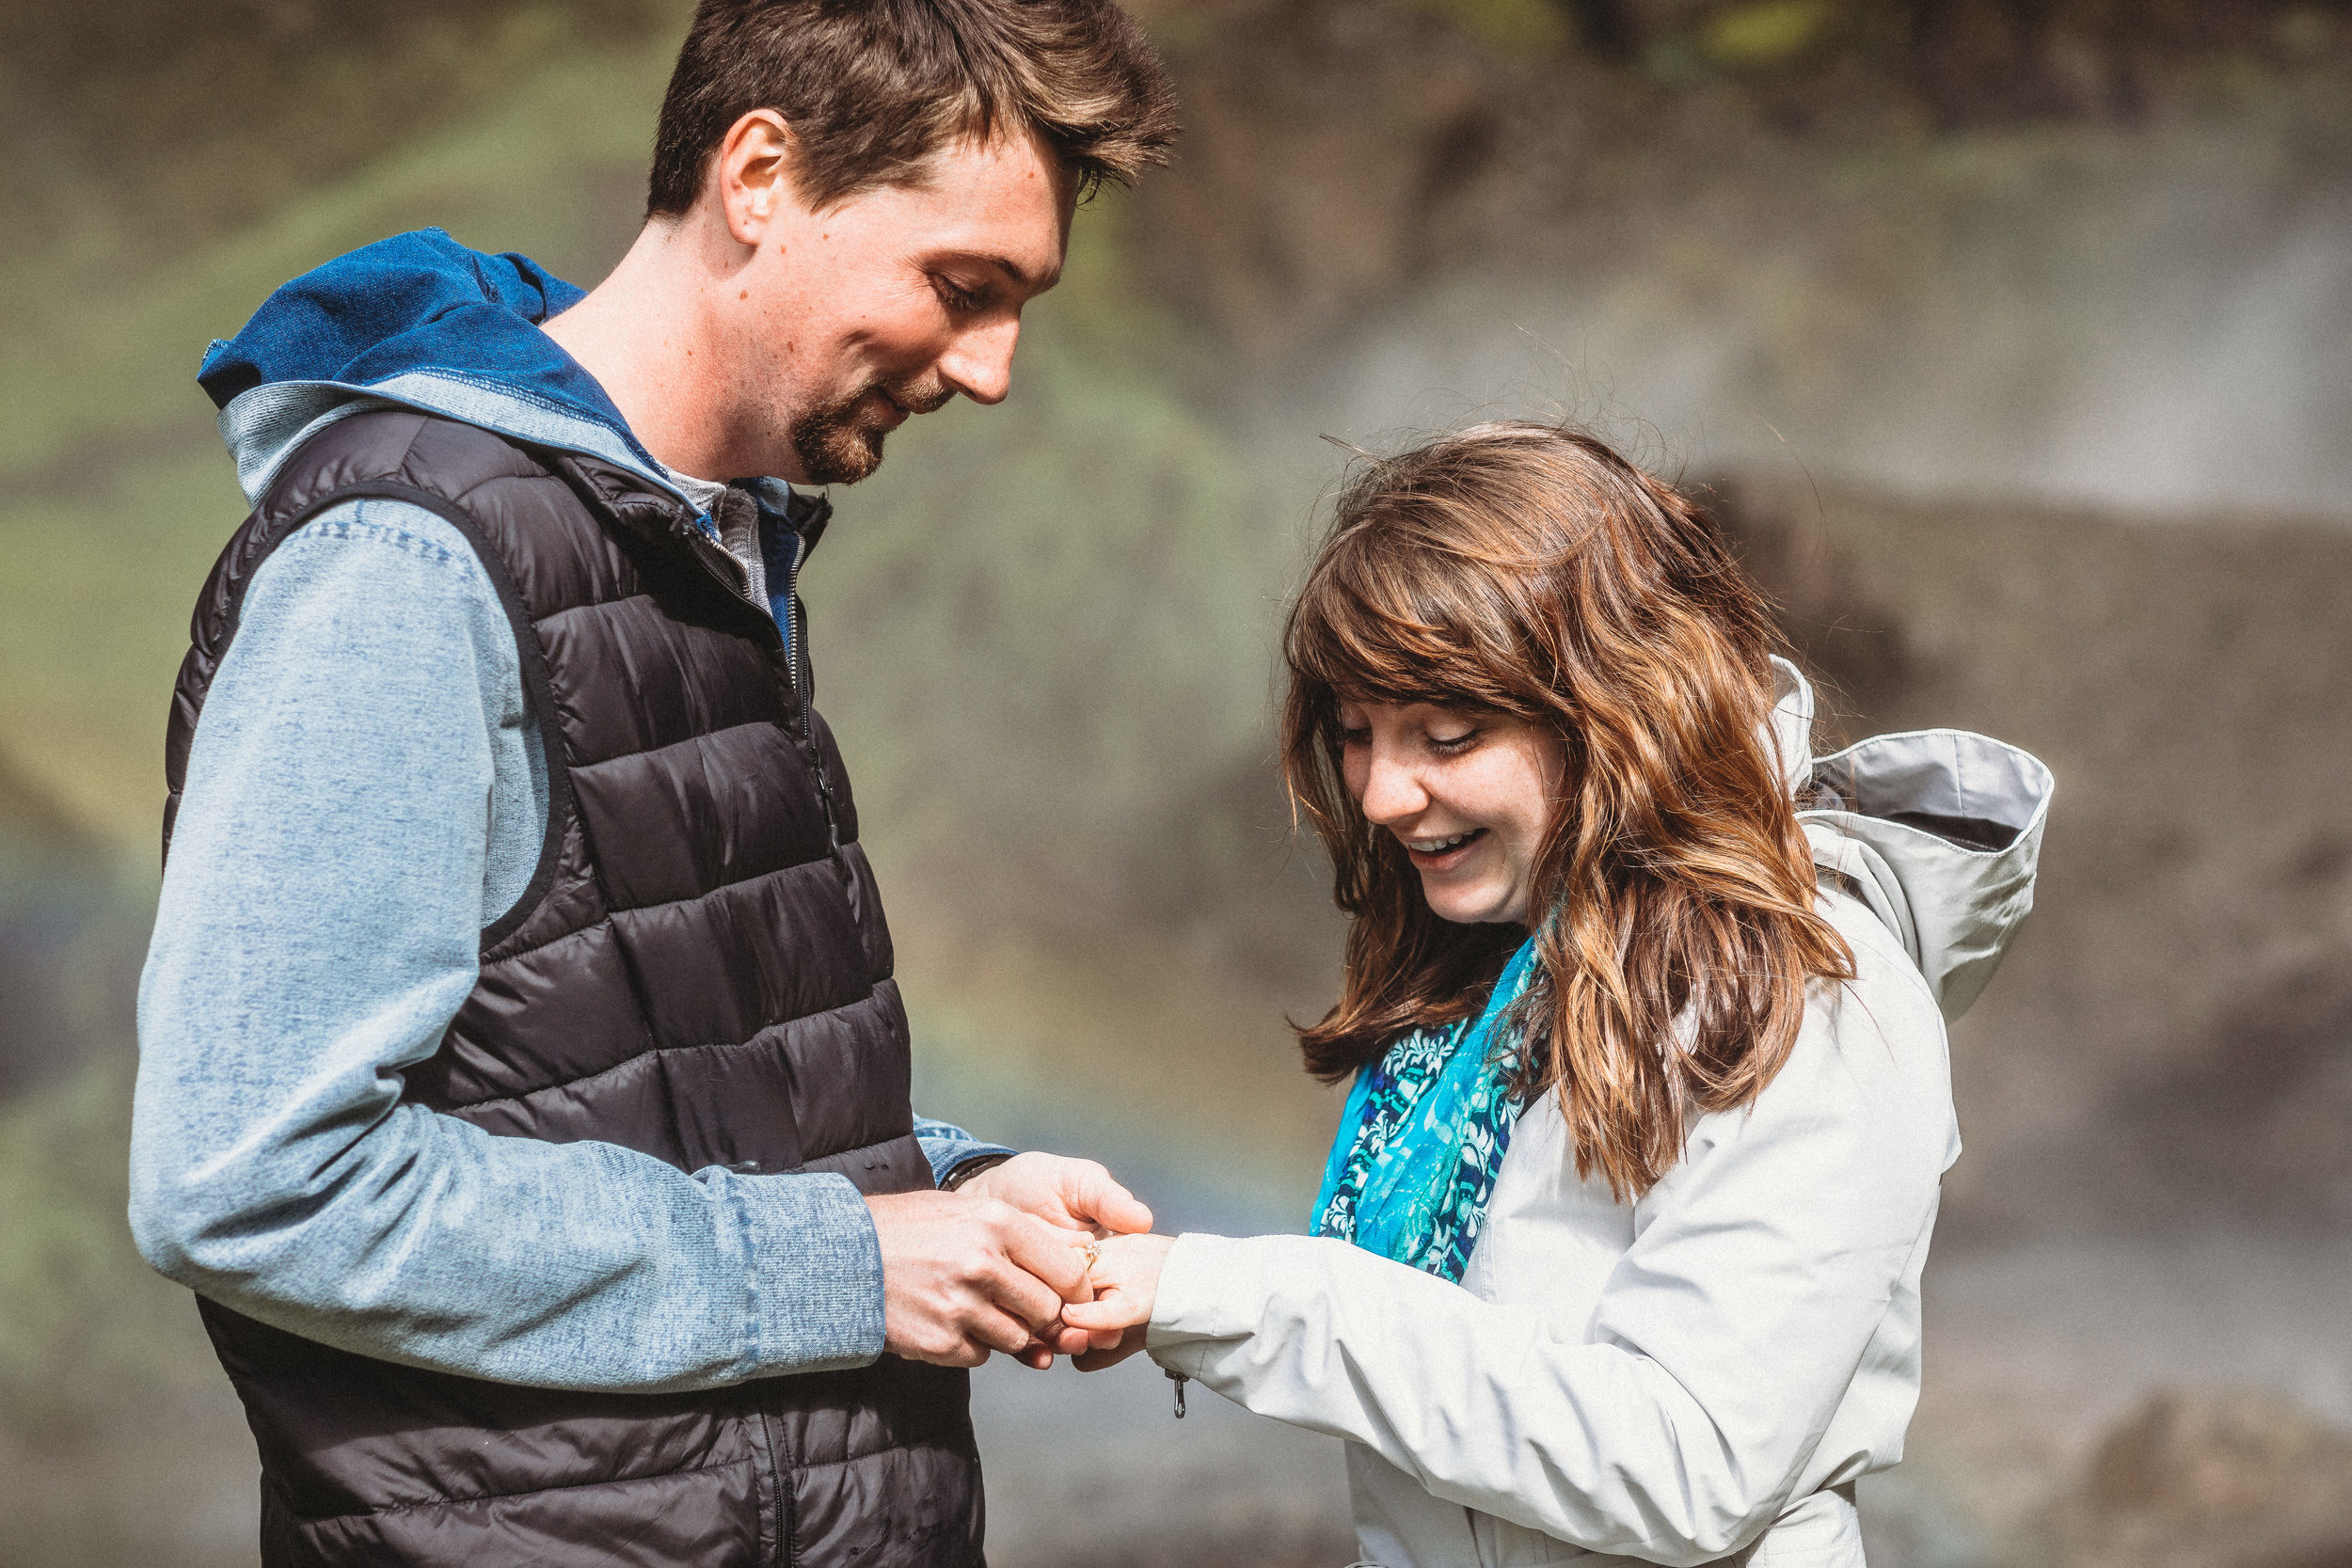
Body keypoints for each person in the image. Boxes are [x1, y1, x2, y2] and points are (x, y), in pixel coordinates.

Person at [128, 4, 1176, 1565]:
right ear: (761, 173)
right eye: (963, 289)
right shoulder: (407, 564)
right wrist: (850, 1259)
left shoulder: (696, 544)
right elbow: (252, 1178)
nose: (994, 369)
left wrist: (954, 1193)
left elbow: (628, 1079)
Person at [1068, 423, 2053, 1567]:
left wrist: (1240, 1296)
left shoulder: (1817, 994)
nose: (1385, 793)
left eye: (1447, 732)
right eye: (1355, 735)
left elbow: (1686, 1465)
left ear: (1619, 706)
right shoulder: (1502, 971)